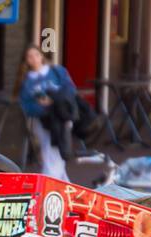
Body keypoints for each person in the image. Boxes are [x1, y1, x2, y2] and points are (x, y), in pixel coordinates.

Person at [19, 46, 102, 178]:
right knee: (52, 152)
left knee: (56, 152)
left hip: (62, 117)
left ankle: (53, 186)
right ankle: (61, 186)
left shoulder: (57, 71)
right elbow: (26, 105)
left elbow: (70, 90)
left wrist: (53, 100)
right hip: (43, 120)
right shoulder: (27, 82)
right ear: (26, 61)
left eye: (36, 54)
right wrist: (43, 107)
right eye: (30, 56)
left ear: (41, 56)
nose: (34, 59)